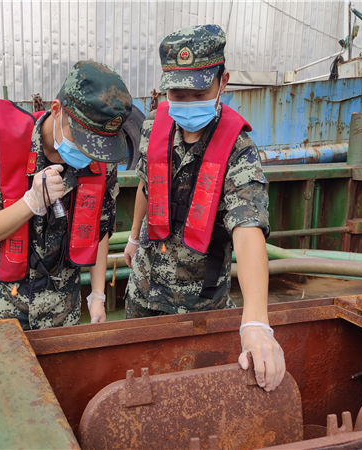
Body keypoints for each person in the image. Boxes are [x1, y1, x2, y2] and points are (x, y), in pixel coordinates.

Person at [123, 25, 286, 391]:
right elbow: (148, 187)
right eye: (177, 93)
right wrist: (133, 238)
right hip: (142, 290)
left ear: (222, 82)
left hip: (198, 306)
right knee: (136, 386)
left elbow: (248, 232)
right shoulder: (154, 125)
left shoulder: (239, 151)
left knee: (188, 393)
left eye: (198, 92)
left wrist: (256, 322)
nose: (185, 102)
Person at [0, 61, 132, 330]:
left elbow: (99, 229)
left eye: (97, 145)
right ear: (56, 110)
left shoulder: (101, 159)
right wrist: (30, 203)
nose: (89, 153)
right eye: (82, 140)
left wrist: (98, 295)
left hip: (61, 307)